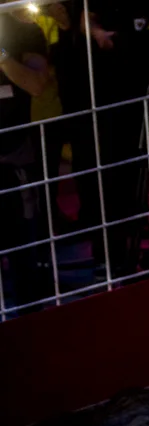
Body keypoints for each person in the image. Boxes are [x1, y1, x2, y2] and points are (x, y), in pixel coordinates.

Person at [0, 9, 55, 311]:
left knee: (23, 252)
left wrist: (2, 55)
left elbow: (36, 85)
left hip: (14, 157)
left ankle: (29, 323)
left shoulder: (25, 28)